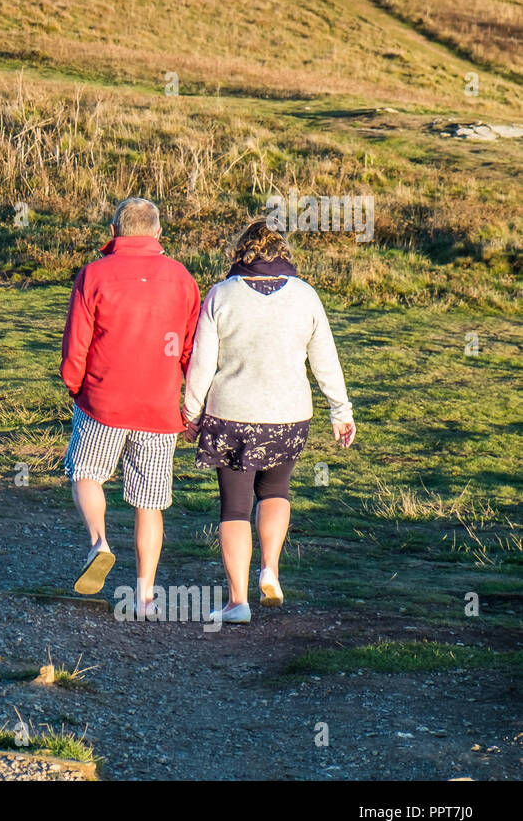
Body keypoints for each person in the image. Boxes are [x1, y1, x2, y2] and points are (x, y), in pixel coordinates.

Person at [182, 219, 356, 624]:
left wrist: (191, 412)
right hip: (289, 416)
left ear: (241, 253)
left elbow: (201, 364)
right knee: (277, 489)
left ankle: (237, 602)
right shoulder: (306, 296)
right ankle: (271, 570)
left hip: (232, 416)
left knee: (235, 508)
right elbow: (325, 360)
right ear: (284, 254)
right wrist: (341, 411)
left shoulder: (221, 295)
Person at [61, 197, 201, 617]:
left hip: (103, 401)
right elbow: (191, 350)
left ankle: (99, 541)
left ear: (114, 230)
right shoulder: (182, 279)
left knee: (86, 473)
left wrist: (75, 387)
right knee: (150, 503)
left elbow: (76, 344)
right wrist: (189, 408)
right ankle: (143, 596)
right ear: (158, 233)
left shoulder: (93, 276)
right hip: (160, 409)